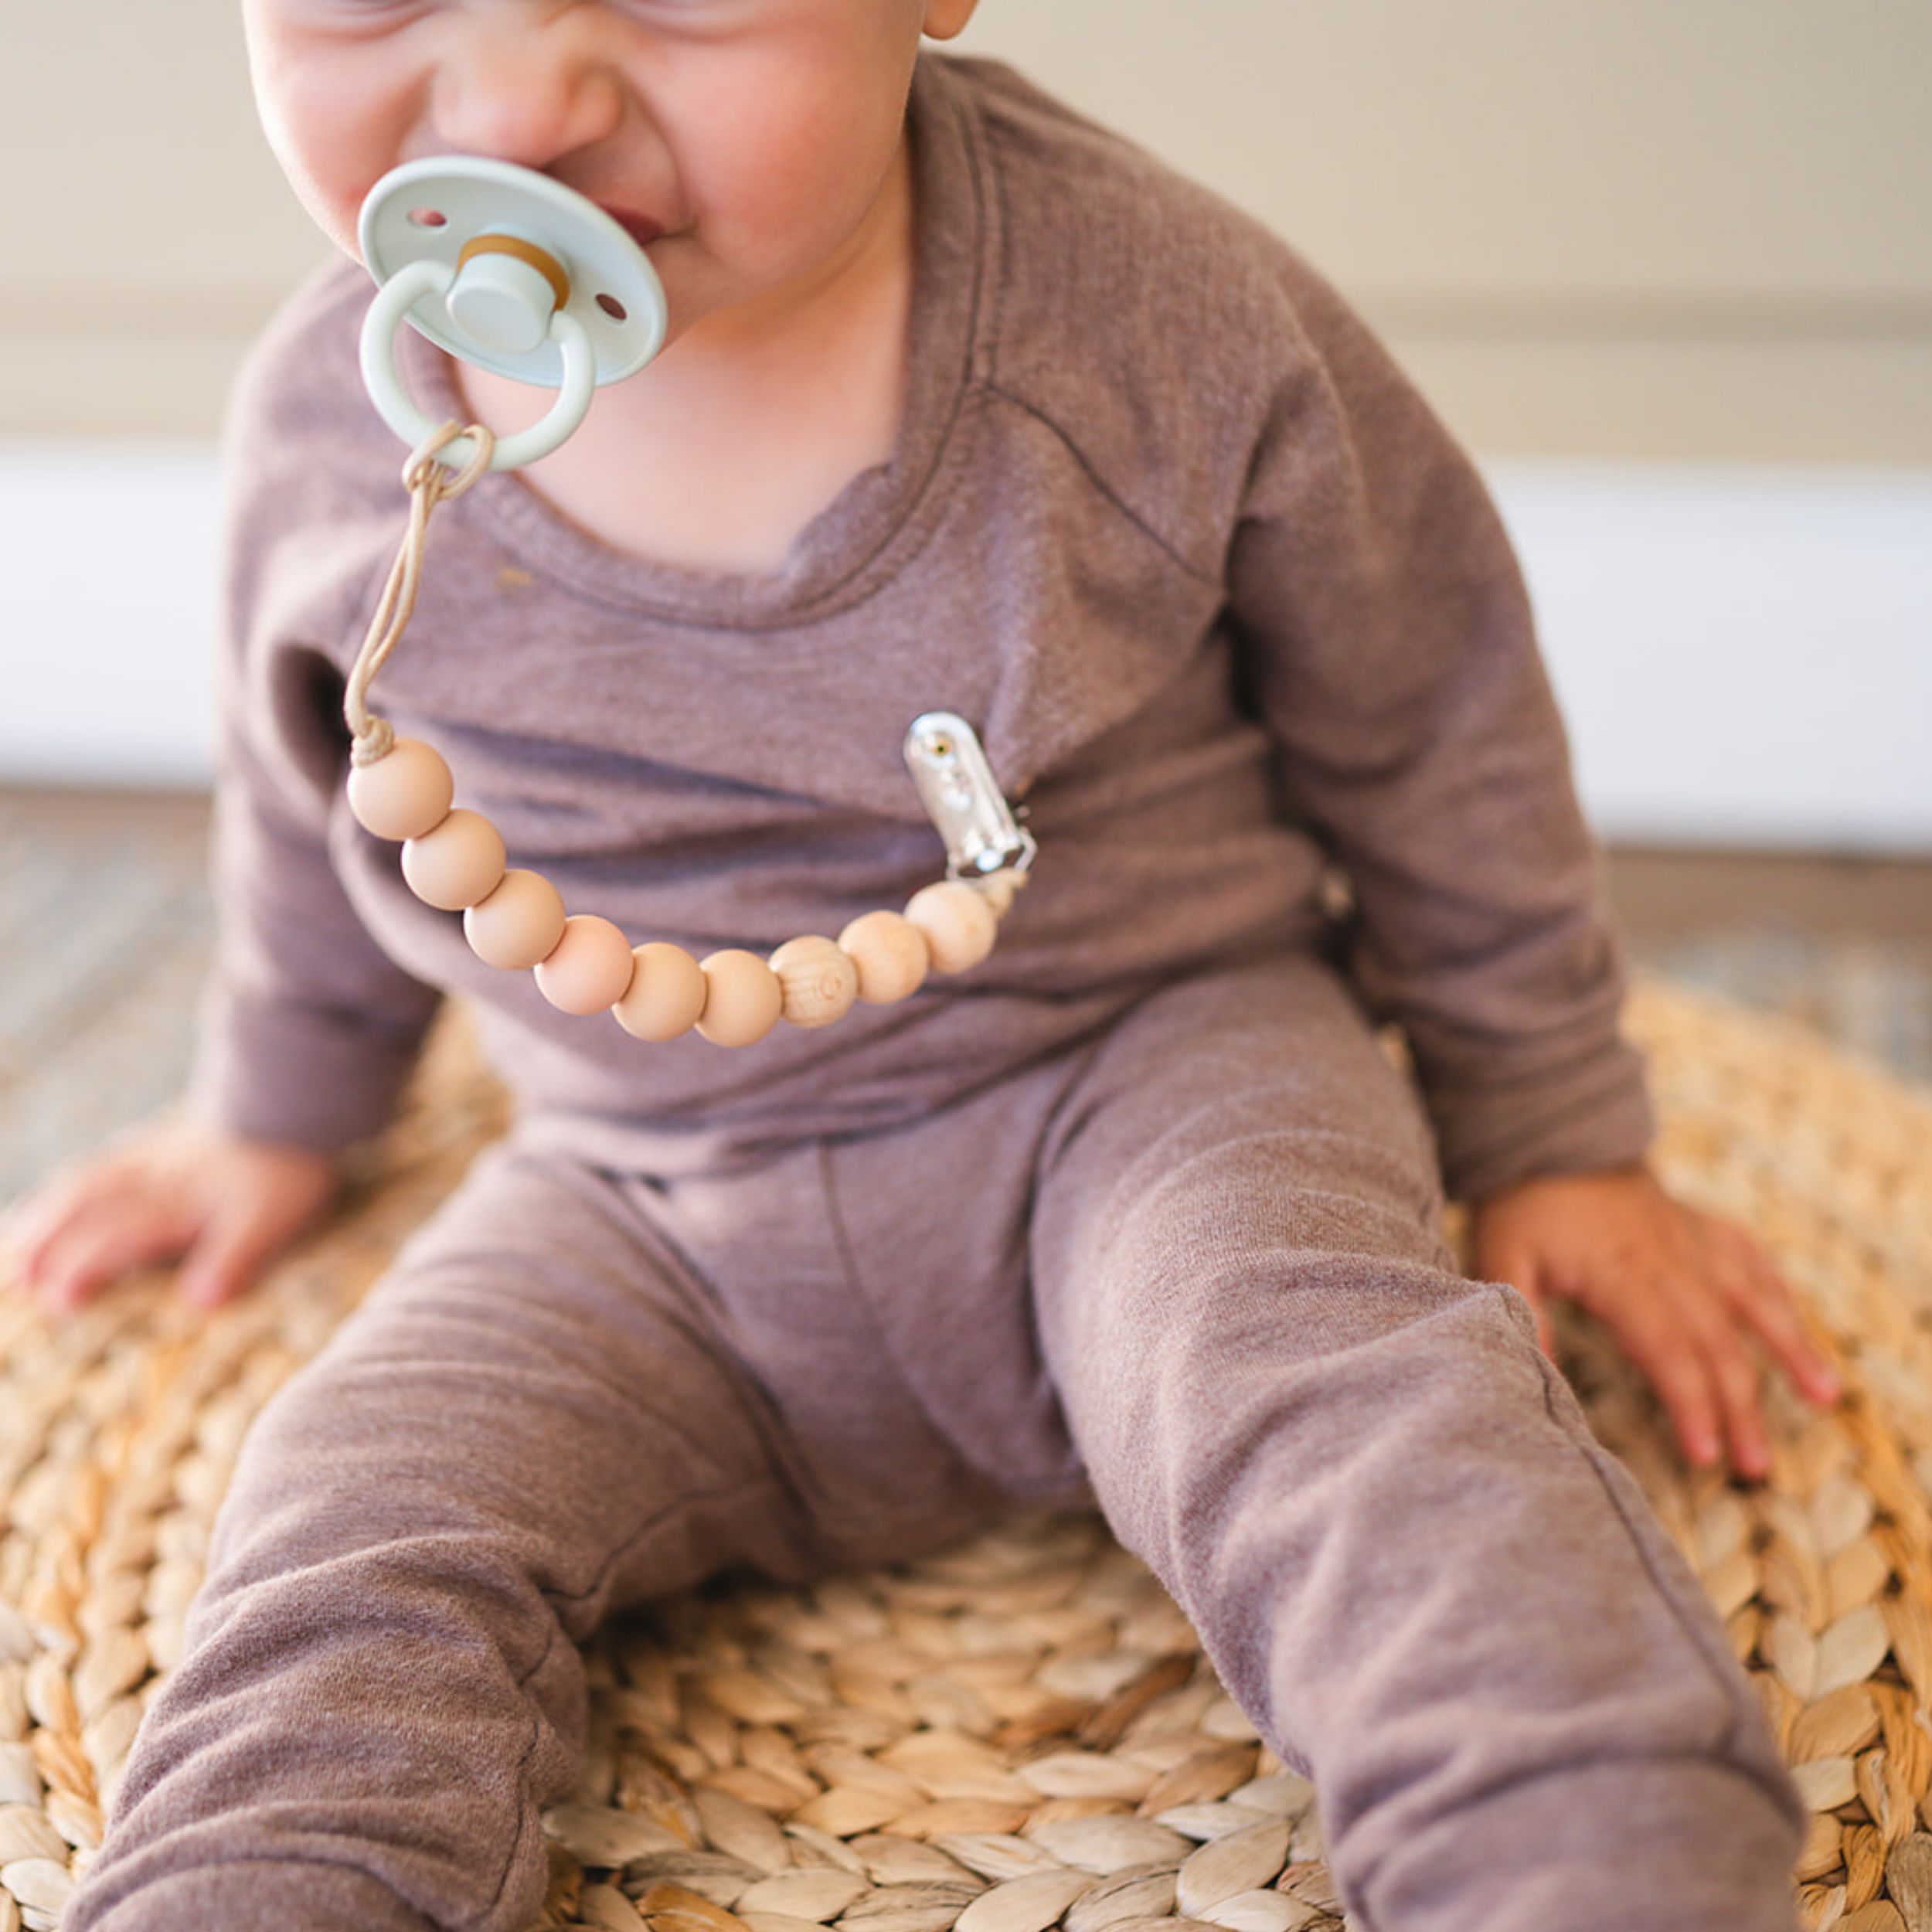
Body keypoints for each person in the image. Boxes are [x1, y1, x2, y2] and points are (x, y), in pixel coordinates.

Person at [0, 3, 1838, 1928]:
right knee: (346, 1516)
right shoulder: (331, 427)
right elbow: (322, 787)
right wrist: (272, 1107)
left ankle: (1578, 1845)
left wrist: (1549, 1115)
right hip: (641, 1203)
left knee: (1350, 1412)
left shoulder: (1146, 313)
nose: (522, 96)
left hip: (1142, 1086)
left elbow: (1426, 697)